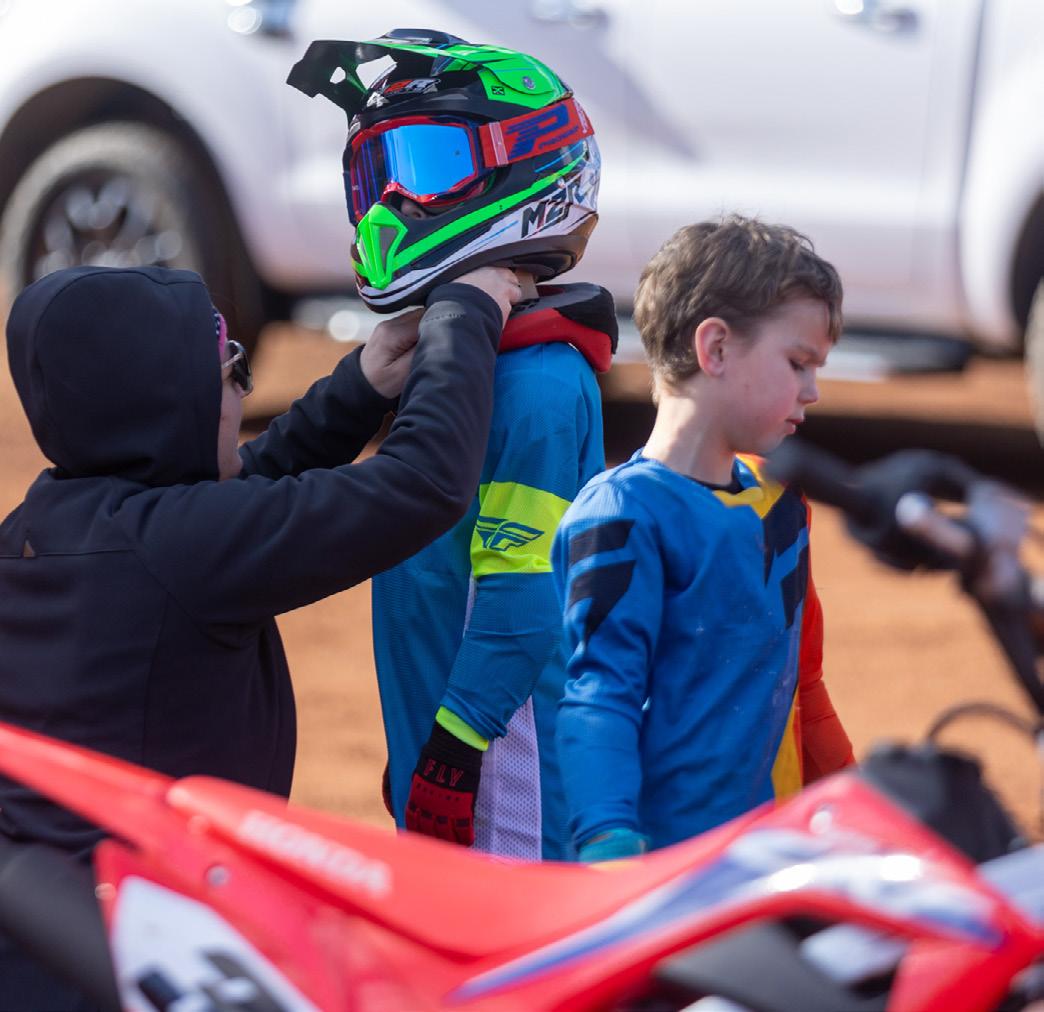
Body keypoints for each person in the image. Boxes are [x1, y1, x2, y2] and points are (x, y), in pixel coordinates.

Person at [0, 260, 519, 1008]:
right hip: (137, 961)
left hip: (49, 935)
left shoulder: (49, 525)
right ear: (169, 406)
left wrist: (360, 387)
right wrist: (463, 314)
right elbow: (421, 483)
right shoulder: (179, 550)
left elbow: (242, 490)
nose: (244, 391)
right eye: (230, 371)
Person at [289, 29, 615, 859]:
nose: (394, 201)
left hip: (506, 774)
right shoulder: (463, 365)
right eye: (378, 174)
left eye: (427, 168)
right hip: (454, 743)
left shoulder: (537, 385)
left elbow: (521, 599)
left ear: (528, 164)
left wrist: (453, 751)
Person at [552, 216, 856, 862]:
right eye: (798, 363)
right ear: (715, 348)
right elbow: (600, 698)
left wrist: (854, 808)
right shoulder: (622, 515)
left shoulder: (780, 501)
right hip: (673, 873)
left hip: (771, 861)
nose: (813, 391)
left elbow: (804, 689)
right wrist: (608, 843)